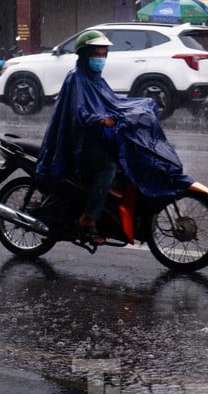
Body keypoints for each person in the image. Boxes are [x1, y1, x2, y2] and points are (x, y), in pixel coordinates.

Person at [35, 30, 194, 245]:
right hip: (80, 142)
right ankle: (88, 219)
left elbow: (112, 102)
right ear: (84, 55)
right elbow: (80, 112)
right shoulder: (76, 79)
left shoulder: (95, 79)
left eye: (103, 54)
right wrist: (99, 120)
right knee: (108, 168)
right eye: (96, 54)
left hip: (96, 137)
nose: (100, 58)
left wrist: (138, 108)